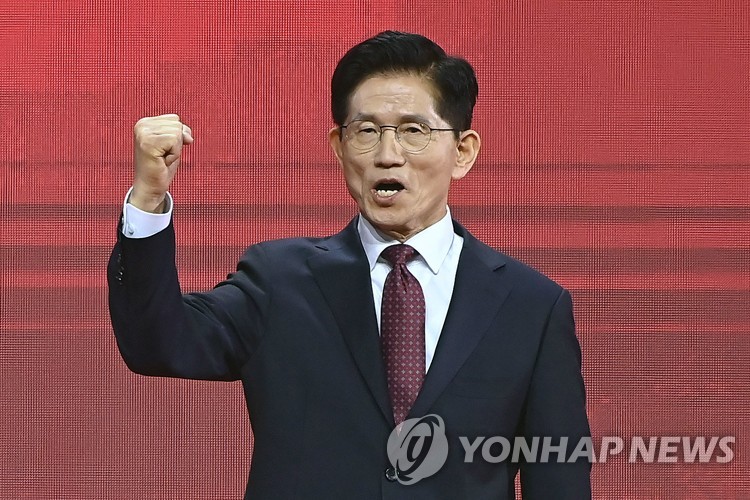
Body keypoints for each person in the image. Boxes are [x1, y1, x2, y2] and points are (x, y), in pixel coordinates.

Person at [108, 31, 591, 499]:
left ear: (462, 151)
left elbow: (560, 480)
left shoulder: (531, 307)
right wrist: (149, 197)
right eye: (366, 131)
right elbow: (156, 343)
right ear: (339, 148)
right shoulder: (279, 281)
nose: (387, 155)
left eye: (413, 131)